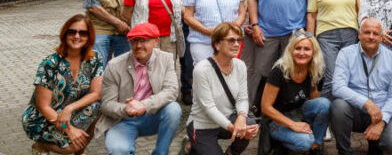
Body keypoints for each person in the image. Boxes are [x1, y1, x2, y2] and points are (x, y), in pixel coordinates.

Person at [23, 15, 103, 155]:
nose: (77, 36)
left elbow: (96, 93)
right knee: (70, 147)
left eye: (83, 33)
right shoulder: (50, 63)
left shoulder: (94, 59)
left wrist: (69, 108)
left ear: (89, 37)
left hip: (68, 112)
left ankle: (79, 151)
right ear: (65, 34)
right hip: (43, 119)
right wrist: (70, 130)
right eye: (72, 32)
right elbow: (43, 106)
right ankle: (41, 146)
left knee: (100, 108)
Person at [98, 23, 182, 155]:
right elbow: (106, 105)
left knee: (173, 109)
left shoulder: (166, 59)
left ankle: (161, 152)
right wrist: (126, 109)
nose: (138, 46)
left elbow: (171, 91)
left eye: (144, 40)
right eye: (135, 41)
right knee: (119, 150)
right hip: (122, 120)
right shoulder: (114, 65)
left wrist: (144, 105)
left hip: (151, 115)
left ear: (156, 41)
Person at [330, 18, 392, 155]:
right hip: (355, 112)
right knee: (338, 106)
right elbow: (338, 87)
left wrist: (381, 122)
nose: (371, 37)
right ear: (359, 35)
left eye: (375, 34)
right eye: (367, 32)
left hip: (381, 112)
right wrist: (366, 103)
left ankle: (375, 146)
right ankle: (344, 151)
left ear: (382, 37)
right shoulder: (346, 54)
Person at [186, 23, 259, 155]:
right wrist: (234, 128)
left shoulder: (240, 65)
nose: (236, 44)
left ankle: (231, 152)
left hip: (226, 121)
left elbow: (243, 98)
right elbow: (209, 108)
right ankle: (191, 148)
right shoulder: (202, 69)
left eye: (238, 40)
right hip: (202, 125)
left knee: (249, 124)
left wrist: (242, 118)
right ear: (217, 44)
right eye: (231, 40)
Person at [261, 30, 330, 154]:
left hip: (298, 113)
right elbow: (265, 107)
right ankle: (279, 143)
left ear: (313, 52)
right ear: (291, 50)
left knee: (324, 103)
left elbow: (316, 102)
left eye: (307, 49)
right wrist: (293, 125)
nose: (302, 53)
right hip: (276, 120)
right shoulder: (279, 71)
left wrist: (312, 125)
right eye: (297, 48)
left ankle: (316, 146)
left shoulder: (314, 69)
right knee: (305, 142)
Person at [307, 0, 361, 99]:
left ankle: (344, 114)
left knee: (349, 76)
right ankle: (326, 116)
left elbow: (359, 9)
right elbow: (311, 14)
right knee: (331, 76)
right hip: (326, 36)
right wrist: (311, 38)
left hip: (350, 33)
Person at [180, 0, 209, 105]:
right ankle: (190, 91)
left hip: (213, 26)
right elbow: (182, 5)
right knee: (191, 62)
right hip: (191, 26)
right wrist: (196, 23)